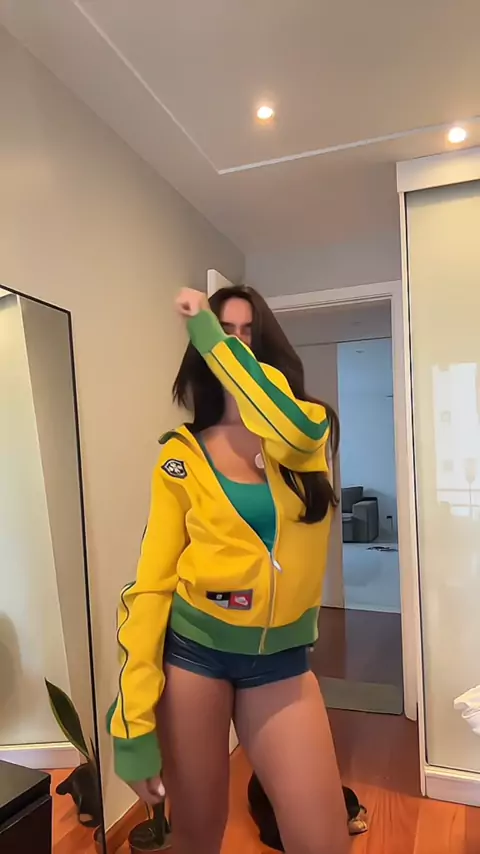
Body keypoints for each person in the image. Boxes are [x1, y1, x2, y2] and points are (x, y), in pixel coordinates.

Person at [108, 285, 350, 854]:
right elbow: (152, 586)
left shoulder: (305, 431)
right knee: (196, 835)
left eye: (248, 334)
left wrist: (209, 333)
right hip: (195, 655)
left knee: (324, 842)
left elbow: (291, 425)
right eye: (225, 332)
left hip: (282, 663)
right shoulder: (181, 454)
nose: (236, 345)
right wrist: (132, 727)